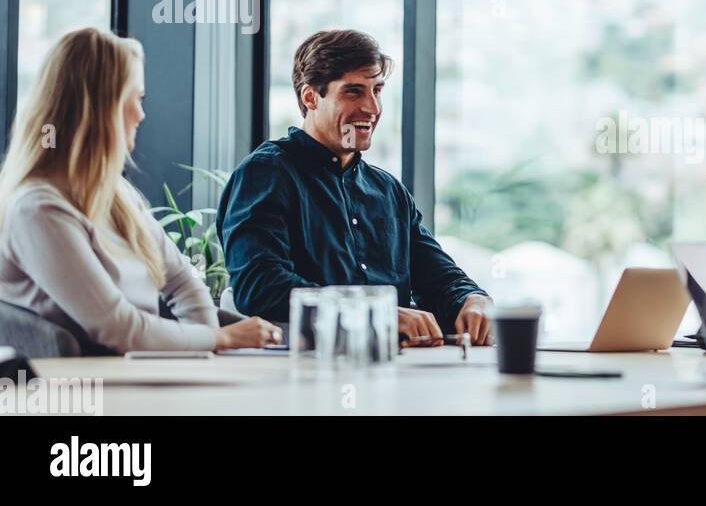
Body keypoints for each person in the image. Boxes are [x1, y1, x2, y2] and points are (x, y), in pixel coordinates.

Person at [0, 28, 280, 354]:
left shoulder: (117, 194)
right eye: (136, 99)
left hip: (136, 372)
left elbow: (182, 282)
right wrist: (221, 338)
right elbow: (117, 328)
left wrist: (205, 349)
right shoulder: (38, 211)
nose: (141, 114)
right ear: (102, 109)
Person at [217, 29, 492, 345]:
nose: (372, 108)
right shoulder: (266, 173)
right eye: (354, 92)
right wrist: (374, 313)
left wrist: (472, 298)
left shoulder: (388, 191)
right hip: (302, 373)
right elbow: (261, 287)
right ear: (310, 97)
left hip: (396, 370)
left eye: (377, 90)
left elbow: (438, 276)